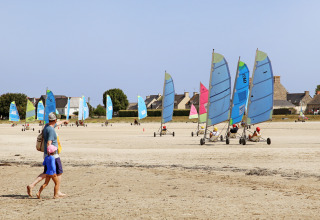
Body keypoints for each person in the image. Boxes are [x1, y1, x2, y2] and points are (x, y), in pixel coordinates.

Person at [27, 112, 68, 197]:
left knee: (46, 173)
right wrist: (51, 155)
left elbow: (56, 124)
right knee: (58, 172)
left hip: (46, 154)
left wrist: (64, 121)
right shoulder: (51, 130)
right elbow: (49, 143)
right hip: (53, 155)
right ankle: (57, 192)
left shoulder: (46, 126)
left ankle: (32, 185)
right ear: (55, 119)